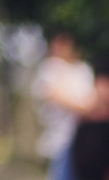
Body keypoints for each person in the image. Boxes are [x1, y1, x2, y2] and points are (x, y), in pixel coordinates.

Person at [33, 33, 94, 167]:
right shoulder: (50, 67)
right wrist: (86, 109)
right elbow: (56, 96)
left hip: (85, 140)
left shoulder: (84, 69)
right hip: (59, 143)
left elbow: (93, 100)